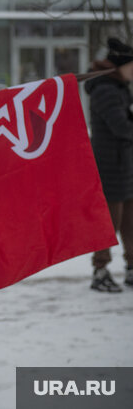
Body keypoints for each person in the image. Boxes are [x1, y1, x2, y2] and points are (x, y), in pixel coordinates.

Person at [84, 37, 133, 292]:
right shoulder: (105, 89)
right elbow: (121, 127)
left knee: (130, 222)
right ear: (121, 66)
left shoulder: (119, 87)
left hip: (124, 164)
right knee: (108, 224)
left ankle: (131, 267)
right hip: (110, 166)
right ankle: (100, 271)